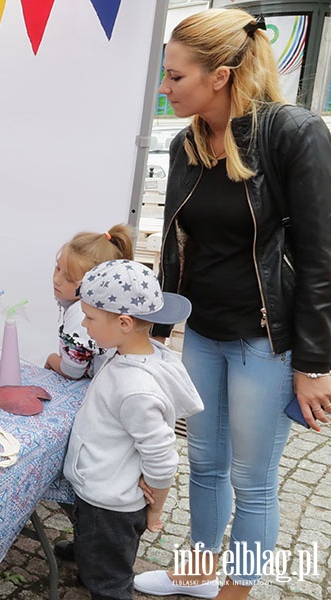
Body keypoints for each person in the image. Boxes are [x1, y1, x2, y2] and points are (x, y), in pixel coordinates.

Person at [134, 9, 331, 599]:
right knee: (205, 464)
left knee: (253, 479)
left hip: (265, 341)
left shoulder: (293, 133)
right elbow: (175, 243)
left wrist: (315, 364)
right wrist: (158, 334)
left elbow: (321, 257)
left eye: (175, 76)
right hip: (204, 331)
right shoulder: (187, 144)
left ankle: (237, 591)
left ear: (219, 75)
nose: (165, 89)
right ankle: (196, 573)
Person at [65, 259, 203, 600]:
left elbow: (162, 457)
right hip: (103, 492)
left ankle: (99, 570)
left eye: (90, 318)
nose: (84, 323)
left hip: (109, 505)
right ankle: (89, 555)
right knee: (100, 551)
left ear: (125, 323)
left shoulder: (136, 388)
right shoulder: (138, 352)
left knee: (111, 583)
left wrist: (156, 508)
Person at [44, 224, 134, 379]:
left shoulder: (80, 313)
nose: (56, 280)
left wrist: (51, 359)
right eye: (58, 269)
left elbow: (72, 371)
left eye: (69, 279)